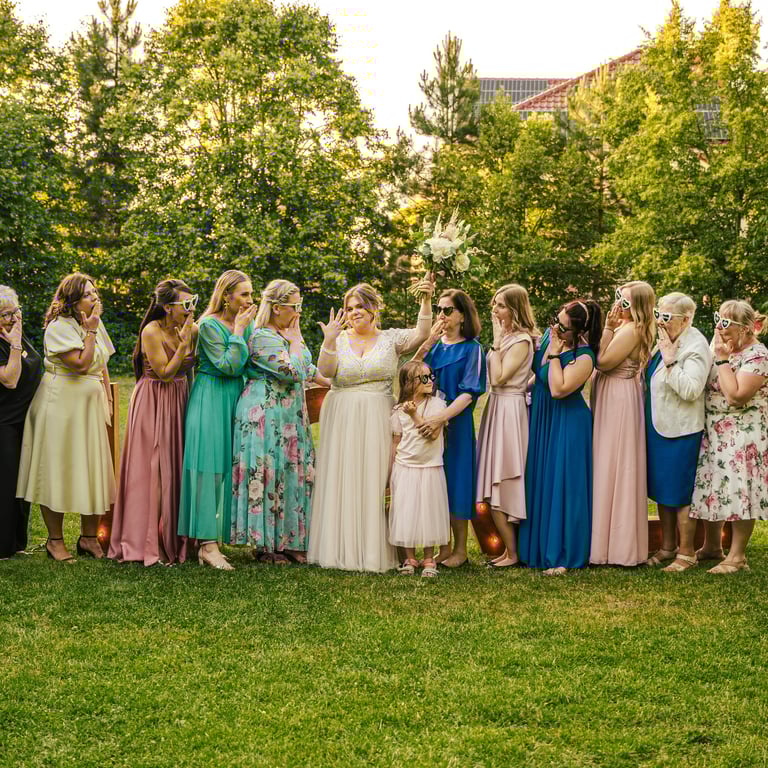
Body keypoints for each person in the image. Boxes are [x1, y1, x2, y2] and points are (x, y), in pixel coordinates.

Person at [308, 277, 434, 572]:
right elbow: (326, 371)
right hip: (342, 414)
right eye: (350, 308)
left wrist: (426, 300)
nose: (354, 312)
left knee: (375, 477)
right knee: (343, 476)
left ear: (374, 308)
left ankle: (373, 548)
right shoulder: (338, 339)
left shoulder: (391, 339)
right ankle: (340, 547)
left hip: (378, 414)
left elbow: (422, 333)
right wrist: (328, 340)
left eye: (360, 307)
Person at [17, 273, 115, 562]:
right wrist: (91, 331)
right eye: (87, 294)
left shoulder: (94, 323)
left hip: (89, 407)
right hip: (60, 406)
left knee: (92, 467)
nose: (95, 297)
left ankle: (88, 538)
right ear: (72, 301)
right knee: (56, 470)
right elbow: (81, 364)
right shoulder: (58, 328)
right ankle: (55, 541)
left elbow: (102, 362)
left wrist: (108, 398)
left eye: (95, 292)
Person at [231, 280, 330, 564]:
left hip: (291, 415)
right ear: (276, 308)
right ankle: (266, 545)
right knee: (269, 473)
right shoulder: (261, 337)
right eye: (295, 306)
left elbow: (307, 367)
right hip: (265, 413)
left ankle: (291, 541)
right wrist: (297, 340)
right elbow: (291, 371)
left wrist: (334, 384)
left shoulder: (287, 333)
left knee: (292, 473)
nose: (299, 311)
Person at [108, 280, 198, 566]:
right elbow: (165, 373)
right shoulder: (151, 331)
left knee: (176, 464)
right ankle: (144, 539)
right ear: (168, 307)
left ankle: (176, 535)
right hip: (153, 400)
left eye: (193, 302)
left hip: (180, 398)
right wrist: (183, 344)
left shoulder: (193, 329)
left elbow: (190, 370)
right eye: (186, 304)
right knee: (151, 468)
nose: (191, 309)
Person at [179, 270, 257, 570]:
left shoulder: (247, 325)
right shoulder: (209, 325)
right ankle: (206, 545)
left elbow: (250, 363)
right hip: (210, 397)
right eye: (244, 294)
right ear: (226, 296)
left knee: (227, 468)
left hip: (236, 398)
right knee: (207, 469)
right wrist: (238, 331)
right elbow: (229, 366)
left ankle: (218, 537)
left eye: (251, 294)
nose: (249, 299)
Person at [518, 299, 602, 574]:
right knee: (542, 479)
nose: (556, 328)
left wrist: (555, 355)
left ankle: (564, 554)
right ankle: (537, 548)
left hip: (568, 423)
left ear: (579, 331)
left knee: (563, 485)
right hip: (543, 418)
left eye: (563, 327)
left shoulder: (585, 357)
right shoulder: (549, 335)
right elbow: (539, 376)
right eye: (556, 320)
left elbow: (559, 389)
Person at [689, 300, 768, 573]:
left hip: (743, 432)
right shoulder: (718, 347)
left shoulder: (757, 355)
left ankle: (737, 556)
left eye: (725, 323)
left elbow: (736, 396)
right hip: (713, 429)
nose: (719, 328)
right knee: (713, 486)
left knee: (739, 489)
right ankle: (712, 546)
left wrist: (722, 360)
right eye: (717, 320)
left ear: (745, 328)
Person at [413, 289, 486, 568]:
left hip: (455, 422)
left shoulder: (473, 349)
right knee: (435, 481)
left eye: (447, 310)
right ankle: (442, 547)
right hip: (429, 421)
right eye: (439, 310)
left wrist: (441, 418)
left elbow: (469, 392)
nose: (441, 315)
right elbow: (412, 373)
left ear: (462, 315)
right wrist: (428, 341)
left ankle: (460, 549)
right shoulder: (435, 347)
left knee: (457, 481)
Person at [644, 292, 712, 572]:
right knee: (663, 490)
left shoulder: (695, 345)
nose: (660, 321)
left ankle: (686, 553)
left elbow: (691, 390)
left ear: (686, 319)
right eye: (658, 314)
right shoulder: (665, 339)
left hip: (681, 430)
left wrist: (671, 361)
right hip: (659, 427)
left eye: (666, 316)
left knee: (681, 493)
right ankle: (667, 546)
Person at [590, 282, 655, 567]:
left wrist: (606, 327)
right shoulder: (625, 327)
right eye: (618, 298)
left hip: (618, 398)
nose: (618, 306)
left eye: (625, 302)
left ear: (638, 307)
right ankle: (602, 540)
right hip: (611, 394)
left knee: (615, 463)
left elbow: (603, 362)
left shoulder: (631, 330)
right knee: (606, 461)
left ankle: (616, 547)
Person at [475, 284, 537, 568]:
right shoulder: (508, 337)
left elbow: (499, 378)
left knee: (503, 478)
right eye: (495, 304)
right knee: (492, 476)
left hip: (510, 409)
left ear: (514, 308)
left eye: (500, 305)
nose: (495, 310)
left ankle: (513, 552)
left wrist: (498, 342)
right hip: (496, 406)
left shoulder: (520, 341)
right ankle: (507, 550)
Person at [388, 360, 450, 578]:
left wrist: (414, 414)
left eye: (431, 376)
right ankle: (410, 558)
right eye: (423, 378)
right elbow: (396, 442)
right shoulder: (398, 410)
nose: (430, 381)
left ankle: (429, 558)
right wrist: (390, 473)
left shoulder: (437, 405)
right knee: (407, 512)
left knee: (428, 512)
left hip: (430, 467)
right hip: (405, 466)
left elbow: (432, 434)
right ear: (409, 382)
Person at [0, 287, 42, 559]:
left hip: (25, 419)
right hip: (4, 422)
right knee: (5, 484)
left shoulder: (17, 334)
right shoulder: (11, 341)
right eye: (5, 314)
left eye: (15, 312)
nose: (13, 318)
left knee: (21, 484)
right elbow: (10, 379)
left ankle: (17, 543)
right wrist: (15, 345)